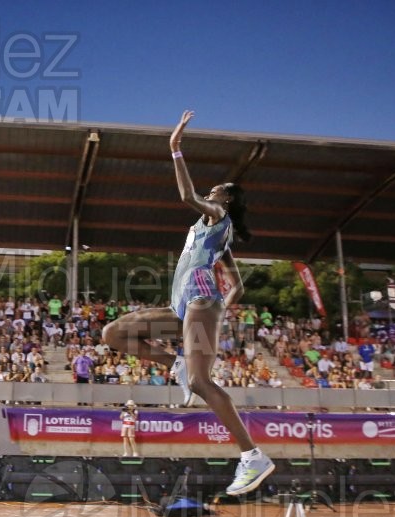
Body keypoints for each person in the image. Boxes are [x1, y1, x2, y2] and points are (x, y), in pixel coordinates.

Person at [103, 110, 273, 496]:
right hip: (185, 308)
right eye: (212, 191)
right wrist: (224, 307)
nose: (210, 193)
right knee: (113, 333)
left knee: (199, 382)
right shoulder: (219, 237)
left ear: (225, 199)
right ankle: (173, 362)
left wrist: (175, 148)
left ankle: (252, 456)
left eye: (216, 190)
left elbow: (186, 196)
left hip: (199, 302)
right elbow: (239, 286)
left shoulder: (217, 217)